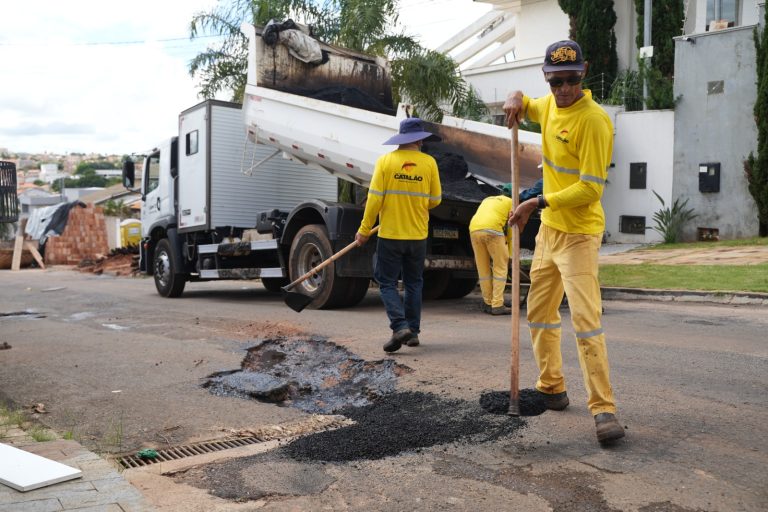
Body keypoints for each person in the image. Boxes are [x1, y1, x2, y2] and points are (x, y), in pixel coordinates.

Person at [503, 40, 625, 444]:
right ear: (547, 78)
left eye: (571, 80)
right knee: (538, 311)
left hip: (579, 234)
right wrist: (515, 99)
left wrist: (536, 201)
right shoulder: (551, 104)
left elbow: (591, 189)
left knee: (586, 322)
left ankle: (603, 409)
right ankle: (551, 386)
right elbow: (529, 104)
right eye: (555, 81)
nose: (563, 89)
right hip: (550, 232)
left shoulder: (594, 121)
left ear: (584, 73)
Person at [355, 118, 442, 353]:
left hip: (391, 235)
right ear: (419, 139)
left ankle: (400, 326)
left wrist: (364, 230)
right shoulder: (430, 163)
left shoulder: (386, 161)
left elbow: (373, 200)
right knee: (414, 283)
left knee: (386, 282)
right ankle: (412, 332)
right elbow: (436, 200)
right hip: (417, 236)